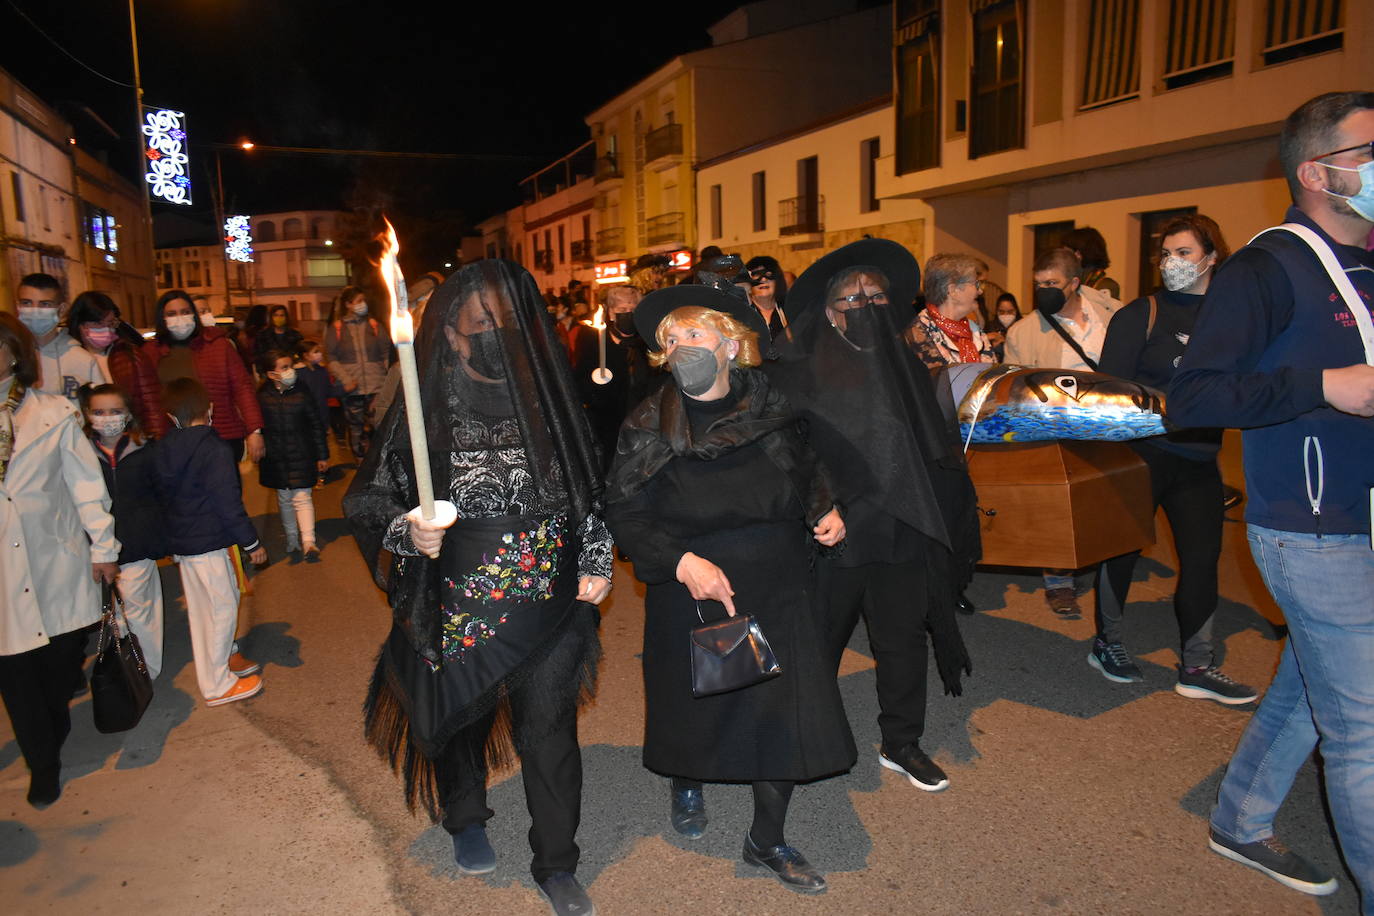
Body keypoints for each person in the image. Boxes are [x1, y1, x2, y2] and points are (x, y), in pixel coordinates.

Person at [344, 260, 611, 916]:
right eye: (483, 320)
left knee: (549, 733)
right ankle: (465, 816)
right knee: (459, 716)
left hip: (548, 599)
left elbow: (587, 492)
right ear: (455, 334)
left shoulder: (547, 397)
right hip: (457, 597)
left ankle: (557, 861)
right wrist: (410, 532)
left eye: (509, 319)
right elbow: (369, 500)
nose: (498, 330)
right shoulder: (421, 408)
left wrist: (598, 554)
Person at [1169, 91, 1374, 909]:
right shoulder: (1268, 267)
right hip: (1311, 529)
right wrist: (1326, 385)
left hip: (1362, 519)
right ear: (1320, 172)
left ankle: (1240, 818)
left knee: (1308, 683)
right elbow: (1194, 395)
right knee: (1363, 733)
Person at [604, 285, 853, 894]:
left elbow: (806, 468)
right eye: (670, 339)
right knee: (705, 703)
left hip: (778, 579)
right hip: (697, 586)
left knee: (781, 710)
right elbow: (622, 510)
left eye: (693, 334)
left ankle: (766, 839)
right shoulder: (649, 422)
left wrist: (826, 509)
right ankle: (688, 777)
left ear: (730, 342)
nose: (680, 346)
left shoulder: (771, 404)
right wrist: (680, 560)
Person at [767, 239, 980, 797]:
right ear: (830, 309)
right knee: (819, 643)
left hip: (901, 526)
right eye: (850, 298)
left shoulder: (907, 365)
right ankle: (801, 736)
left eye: (875, 296)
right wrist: (822, 504)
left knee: (902, 639)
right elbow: (785, 453)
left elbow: (931, 446)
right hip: (832, 534)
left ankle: (902, 741)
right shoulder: (795, 369)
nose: (864, 305)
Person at [1091, 214, 1257, 704]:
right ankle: (1108, 643)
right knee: (1120, 552)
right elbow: (1109, 393)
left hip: (1199, 459)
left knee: (1203, 559)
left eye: (1183, 253)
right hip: (1142, 456)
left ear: (1212, 256)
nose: (1171, 263)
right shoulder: (1140, 314)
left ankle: (1197, 665)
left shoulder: (1232, 319)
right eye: (1166, 254)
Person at [0, 313, 119, 808]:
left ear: (14, 353)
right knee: (13, 673)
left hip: (55, 558)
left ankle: (53, 730)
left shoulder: (55, 413)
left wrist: (103, 547)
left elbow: (87, 487)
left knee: (55, 670)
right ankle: (42, 764)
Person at [1005, 248, 1120, 618]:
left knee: (1103, 499)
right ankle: (1058, 582)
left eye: (1052, 284)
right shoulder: (1024, 332)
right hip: (1056, 429)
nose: (1044, 291)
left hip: (1109, 425)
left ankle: (1101, 565)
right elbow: (1015, 387)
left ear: (1075, 283)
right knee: (1058, 506)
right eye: (1038, 285)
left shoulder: (1112, 315)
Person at [154, 377, 266, 706]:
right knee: (221, 608)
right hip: (209, 543)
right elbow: (227, 503)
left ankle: (220, 663)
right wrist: (251, 543)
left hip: (185, 544)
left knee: (203, 611)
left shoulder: (162, 448)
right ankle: (217, 684)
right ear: (211, 409)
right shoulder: (213, 449)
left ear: (171, 416)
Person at [81, 384, 167, 679]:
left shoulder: (145, 448)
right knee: (118, 611)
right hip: (98, 547)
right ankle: (131, 661)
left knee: (136, 608)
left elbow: (162, 493)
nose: (108, 418)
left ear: (128, 414)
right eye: (99, 412)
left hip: (139, 541)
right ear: (87, 415)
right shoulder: (80, 454)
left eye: (115, 411)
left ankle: (146, 671)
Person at [150, 290, 266, 462]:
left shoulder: (218, 346)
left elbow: (242, 388)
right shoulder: (151, 353)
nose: (180, 318)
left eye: (185, 312)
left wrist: (254, 430)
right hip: (174, 442)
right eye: (171, 314)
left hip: (221, 436)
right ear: (162, 318)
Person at [572, 284, 657, 470]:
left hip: (643, 427)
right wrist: (596, 385)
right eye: (622, 310)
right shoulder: (594, 340)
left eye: (633, 309)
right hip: (607, 428)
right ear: (610, 313)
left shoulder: (647, 343)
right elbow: (579, 383)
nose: (628, 313)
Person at [256, 351, 328, 562]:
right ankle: (292, 538)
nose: (290, 371)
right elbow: (256, 426)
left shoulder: (303, 392)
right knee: (285, 499)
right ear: (271, 374)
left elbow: (316, 425)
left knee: (302, 498)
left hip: (302, 453)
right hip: (276, 457)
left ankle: (308, 541)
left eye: (290, 366)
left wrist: (322, 455)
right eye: (284, 367)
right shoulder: (262, 396)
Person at [68, 291, 167, 437]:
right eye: (98, 323)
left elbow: (151, 406)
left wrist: (156, 440)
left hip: (127, 440)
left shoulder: (129, 356)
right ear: (80, 325)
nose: (106, 329)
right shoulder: (68, 359)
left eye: (110, 323)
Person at [14, 273, 106, 401]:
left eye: (44, 304)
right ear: (17, 307)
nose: (35, 311)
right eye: (27, 303)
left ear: (61, 310)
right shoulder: (8, 357)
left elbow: (101, 407)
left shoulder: (83, 361)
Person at [326, 286, 392, 460]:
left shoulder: (375, 325)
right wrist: (346, 379)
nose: (363, 304)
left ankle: (380, 460)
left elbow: (386, 354)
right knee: (355, 426)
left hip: (376, 386)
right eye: (358, 301)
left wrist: (388, 381)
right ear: (348, 304)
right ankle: (360, 460)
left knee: (379, 423)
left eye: (364, 300)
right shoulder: (337, 328)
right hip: (352, 388)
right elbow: (331, 358)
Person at [906, 254, 998, 368]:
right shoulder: (919, 331)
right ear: (953, 290)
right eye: (976, 284)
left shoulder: (975, 331)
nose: (980, 291)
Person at [1063, 226, 1122, 299]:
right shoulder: (1069, 281)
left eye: (1066, 253)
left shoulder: (1106, 286)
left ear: (1078, 254)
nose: (1063, 258)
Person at [744, 255, 789, 339]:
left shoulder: (790, 312)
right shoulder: (742, 314)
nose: (763, 280)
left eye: (768, 274)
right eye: (756, 275)